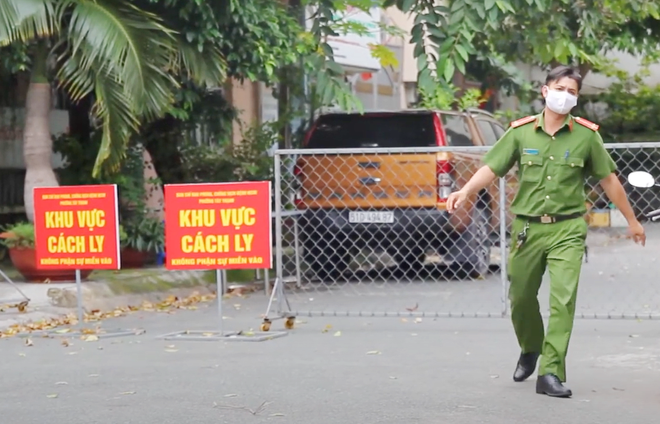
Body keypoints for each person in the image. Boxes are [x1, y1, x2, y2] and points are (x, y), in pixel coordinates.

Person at [446, 65, 646, 398]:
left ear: (577, 98)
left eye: (572, 92)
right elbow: (491, 167)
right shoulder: (520, 133)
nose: (565, 96)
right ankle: (530, 346)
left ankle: (550, 372)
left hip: (568, 228)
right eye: (560, 88)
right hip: (527, 228)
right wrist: (465, 192)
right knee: (520, 298)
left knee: (562, 301)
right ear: (544, 90)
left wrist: (632, 219)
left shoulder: (586, 135)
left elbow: (608, 179)